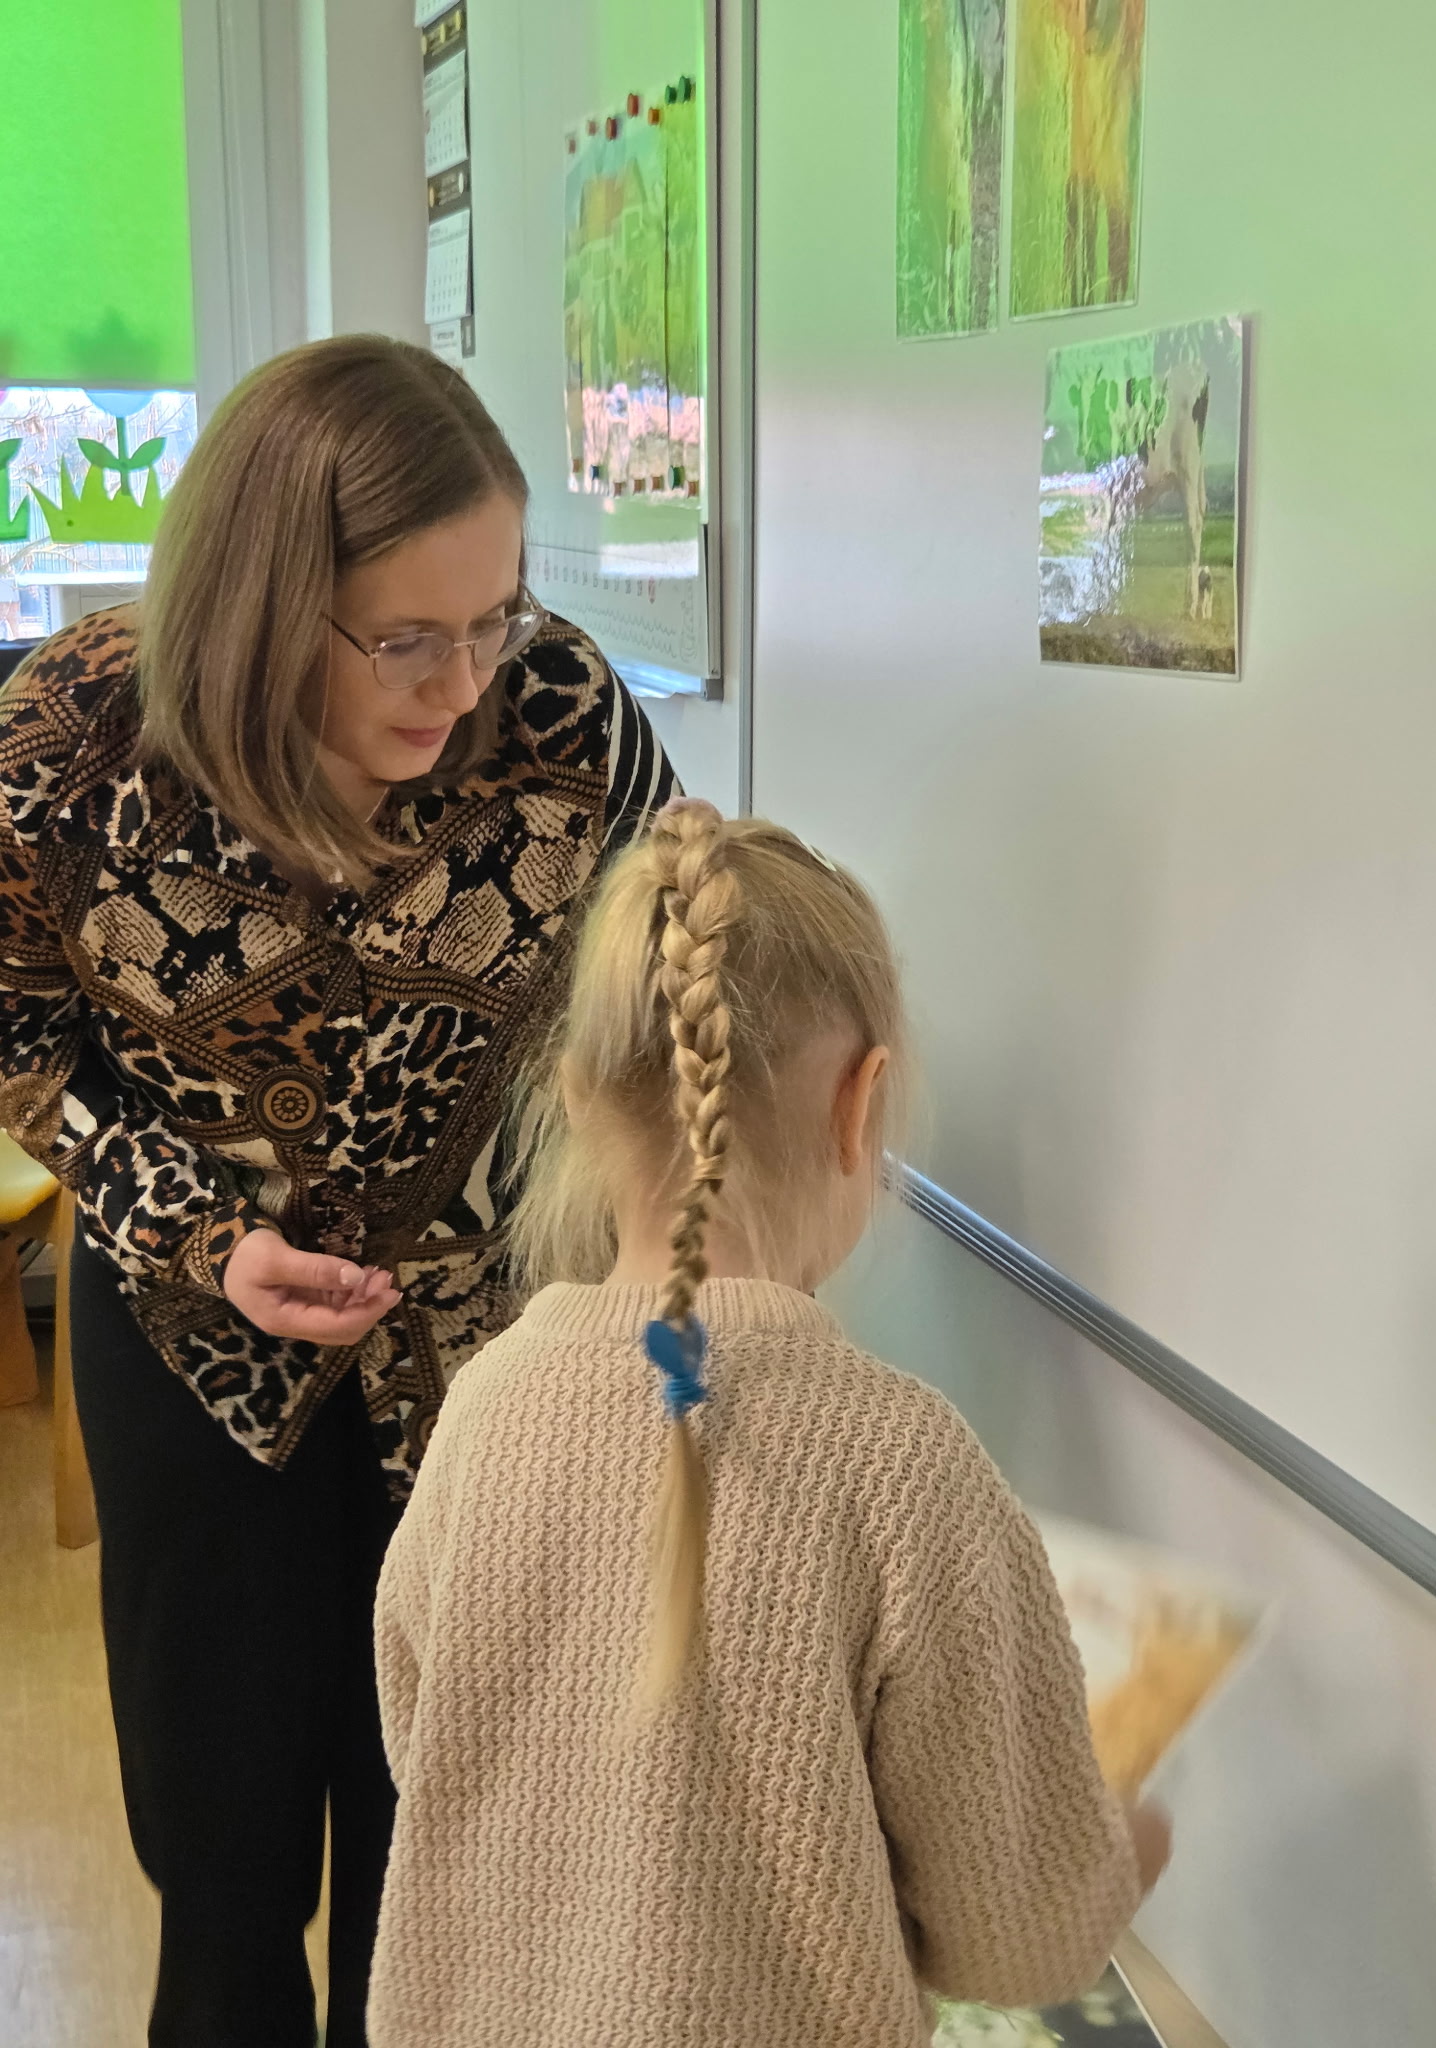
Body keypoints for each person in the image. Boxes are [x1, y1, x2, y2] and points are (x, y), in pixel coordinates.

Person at [0, 335, 676, 2047]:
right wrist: (197, 1233)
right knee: (219, 1871)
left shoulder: (564, 717)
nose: (465, 681)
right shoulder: (67, 744)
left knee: (437, 1852)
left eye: (495, 615)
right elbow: (12, 1041)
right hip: (192, 1352)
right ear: (256, 604)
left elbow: (679, 963)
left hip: (479, 1367)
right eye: (406, 636)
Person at [369, 803, 1171, 2048]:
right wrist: (1126, 1846)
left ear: (576, 1098)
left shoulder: (482, 1409)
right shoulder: (904, 1463)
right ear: (862, 1102)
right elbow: (1015, 1941)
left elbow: (428, 1752)